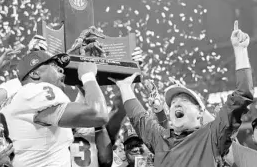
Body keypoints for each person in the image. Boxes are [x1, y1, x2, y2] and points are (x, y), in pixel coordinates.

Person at [109, 20, 254, 167]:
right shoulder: (160, 140)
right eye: (172, 103)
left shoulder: (212, 136)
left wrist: (240, 50)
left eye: (184, 100)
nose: (176, 103)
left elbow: (242, 96)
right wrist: (125, 86)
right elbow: (137, 116)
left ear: (200, 113)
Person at [0, 50, 109, 167]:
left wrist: (81, 86)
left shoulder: (18, 99)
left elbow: (76, 117)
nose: (61, 70)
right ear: (35, 74)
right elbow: (98, 114)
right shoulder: (37, 90)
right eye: (53, 66)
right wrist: (88, 76)